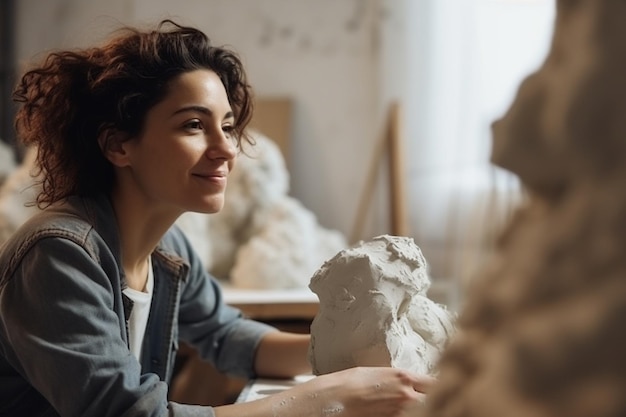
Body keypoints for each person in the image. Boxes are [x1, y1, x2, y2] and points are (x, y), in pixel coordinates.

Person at [0, 19, 434, 417]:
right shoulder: (59, 255)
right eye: (193, 125)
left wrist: (365, 348)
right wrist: (330, 396)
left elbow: (227, 335)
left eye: (226, 126)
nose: (226, 148)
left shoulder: (168, 250)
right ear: (118, 146)